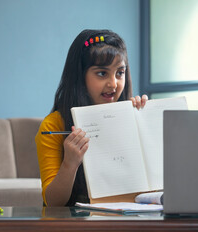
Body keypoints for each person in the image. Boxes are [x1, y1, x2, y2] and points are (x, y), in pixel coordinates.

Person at [35, 29, 148, 206]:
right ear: (80, 76)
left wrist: (143, 120)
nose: (113, 84)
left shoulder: (131, 114)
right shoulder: (54, 125)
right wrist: (70, 164)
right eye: (102, 73)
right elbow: (53, 203)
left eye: (120, 73)